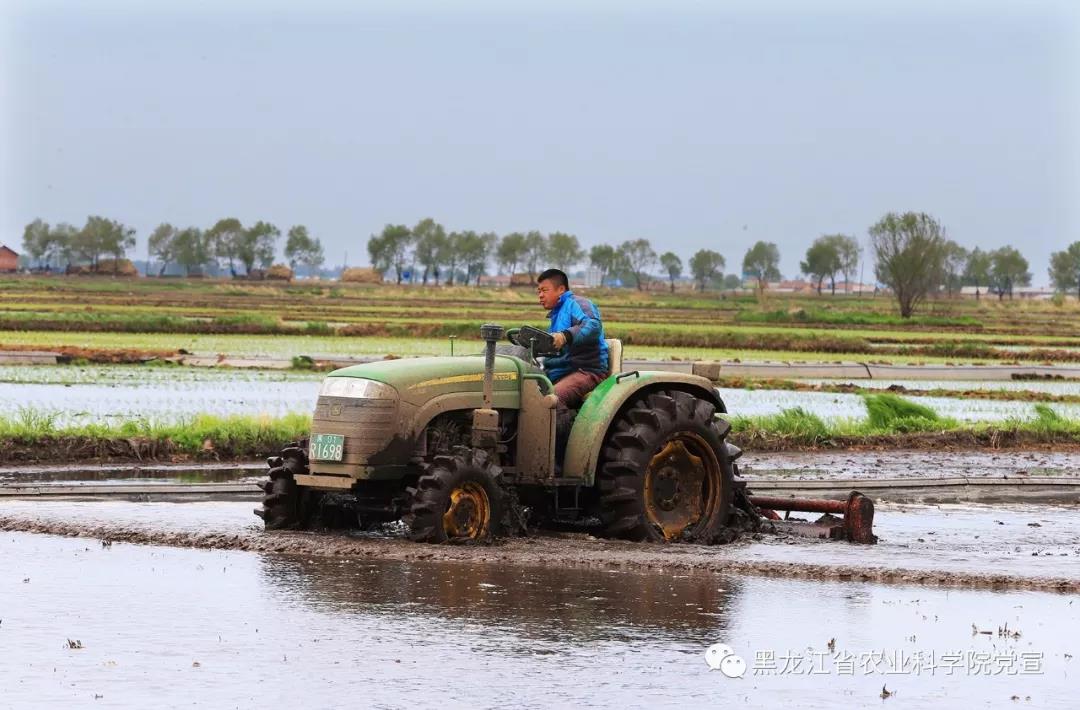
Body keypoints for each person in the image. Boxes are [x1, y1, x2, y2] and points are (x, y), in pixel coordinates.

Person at [536, 268, 609, 409]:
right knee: (526, 391)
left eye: (544, 290)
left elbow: (593, 325)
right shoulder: (556, 315)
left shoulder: (577, 304)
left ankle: (560, 430)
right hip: (561, 372)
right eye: (538, 291)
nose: (540, 295)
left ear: (561, 289)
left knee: (552, 400)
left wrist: (565, 336)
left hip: (585, 371)